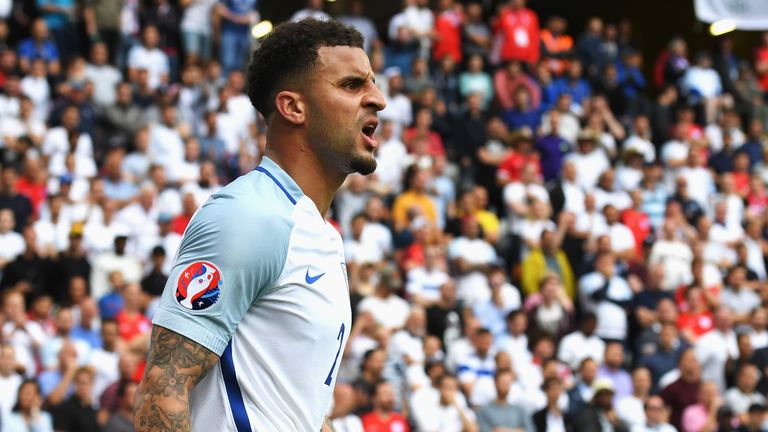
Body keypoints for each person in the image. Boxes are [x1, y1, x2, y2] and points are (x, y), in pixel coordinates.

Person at [133, 19, 386, 432]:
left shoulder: (321, 234)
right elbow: (162, 394)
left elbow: (297, 410)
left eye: (372, 84)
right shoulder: (249, 215)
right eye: (352, 85)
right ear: (293, 107)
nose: (378, 99)